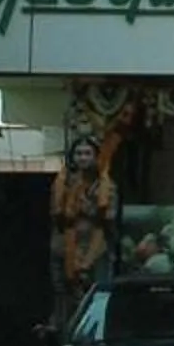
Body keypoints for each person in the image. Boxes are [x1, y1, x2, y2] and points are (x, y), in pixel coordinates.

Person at [49, 133, 118, 326]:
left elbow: (108, 218)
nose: (82, 158)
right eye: (78, 153)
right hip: (63, 248)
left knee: (96, 297)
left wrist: (85, 205)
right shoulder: (62, 182)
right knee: (62, 298)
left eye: (87, 153)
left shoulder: (106, 185)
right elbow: (56, 215)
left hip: (94, 250)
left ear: (96, 157)